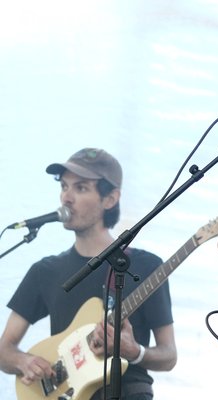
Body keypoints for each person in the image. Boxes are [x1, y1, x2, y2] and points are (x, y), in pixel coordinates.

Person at [0, 148, 177, 399]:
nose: (66, 198)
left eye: (80, 188)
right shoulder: (45, 271)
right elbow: (4, 350)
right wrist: (23, 361)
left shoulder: (146, 265)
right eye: (64, 187)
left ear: (111, 198)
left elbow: (169, 355)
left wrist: (135, 351)